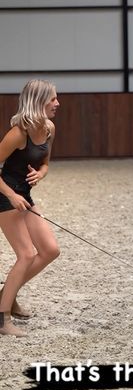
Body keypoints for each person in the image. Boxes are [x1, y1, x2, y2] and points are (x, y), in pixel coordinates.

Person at [0, 80, 60, 337]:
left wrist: (41, 174)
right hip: (4, 195)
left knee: (50, 250)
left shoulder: (48, 129)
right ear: (38, 102)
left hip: (24, 196)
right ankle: (2, 319)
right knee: (26, 254)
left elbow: (45, 163)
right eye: (52, 99)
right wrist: (11, 195)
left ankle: (6, 295)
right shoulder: (18, 133)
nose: (58, 103)